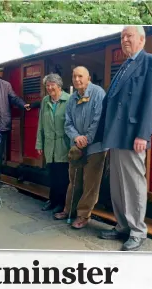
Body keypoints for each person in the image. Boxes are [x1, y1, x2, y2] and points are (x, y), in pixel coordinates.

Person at [95, 25, 152, 251]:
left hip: (133, 134)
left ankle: (137, 231)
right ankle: (122, 226)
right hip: (116, 135)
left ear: (142, 40)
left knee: (133, 184)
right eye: (122, 36)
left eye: (129, 36)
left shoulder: (151, 62)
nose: (124, 39)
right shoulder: (124, 65)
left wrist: (143, 134)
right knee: (117, 184)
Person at [53, 66, 106, 230]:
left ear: (88, 78)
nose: (77, 79)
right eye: (74, 76)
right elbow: (67, 123)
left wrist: (87, 139)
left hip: (96, 147)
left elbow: (99, 121)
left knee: (90, 184)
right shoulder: (72, 98)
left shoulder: (98, 93)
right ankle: (68, 210)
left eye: (80, 76)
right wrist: (76, 137)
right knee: (74, 181)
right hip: (76, 146)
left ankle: (83, 216)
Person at [35, 73, 71, 214]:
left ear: (59, 86)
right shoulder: (45, 101)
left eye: (52, 85)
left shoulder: (69, 100)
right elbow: (41, 124)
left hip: (64, 144)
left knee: (62, 176)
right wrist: (39, 144)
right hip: (49, 144)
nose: (49, 88)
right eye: (47, 85)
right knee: (52, 174)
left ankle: (61, 203)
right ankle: (53, 200)